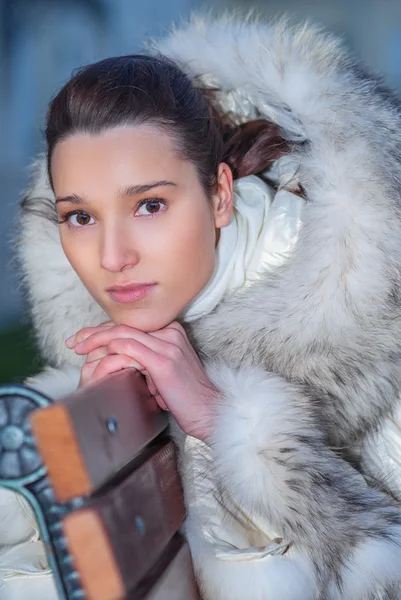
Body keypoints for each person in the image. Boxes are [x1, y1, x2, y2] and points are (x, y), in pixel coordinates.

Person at [3, 14, 401, 600]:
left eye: (149, 206)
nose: (113, 257)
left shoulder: (366, 312)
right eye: (80, 217)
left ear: (218, 195)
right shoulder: (135, 336)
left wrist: (226, 423)